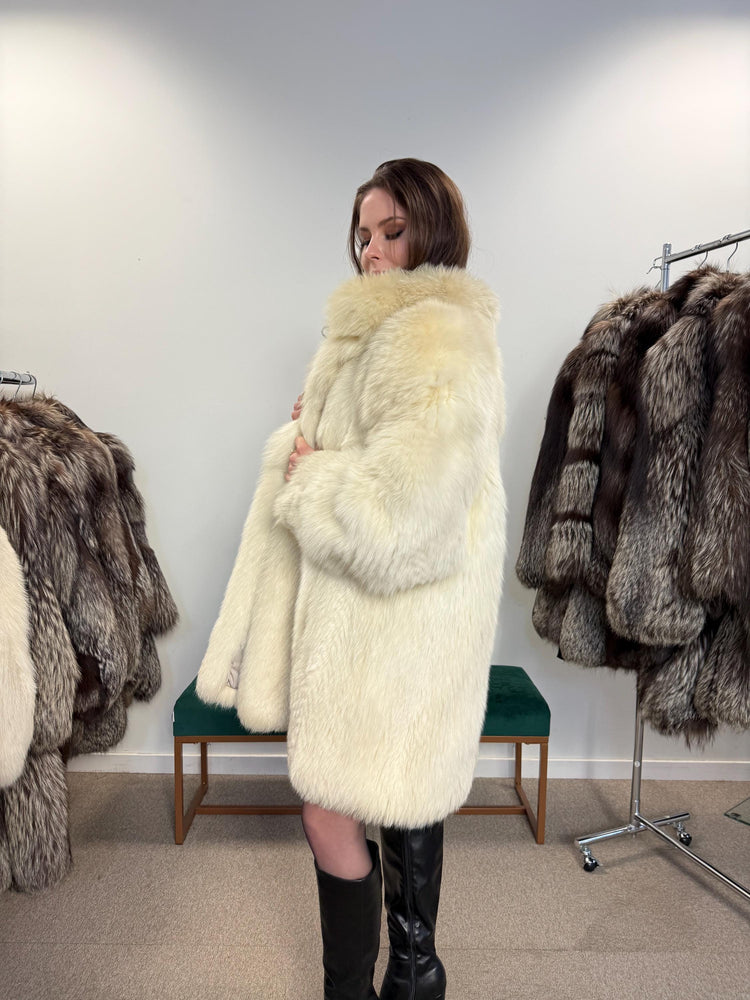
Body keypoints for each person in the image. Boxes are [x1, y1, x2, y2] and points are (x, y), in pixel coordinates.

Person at [197, 158, 506, 1000]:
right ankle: (407, 972)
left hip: (398, 625)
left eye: (391, 232)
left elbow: (408, 519)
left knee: (361, 804)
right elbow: (375, 459)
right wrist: (313, 434)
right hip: (377, 622)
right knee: (381, 803)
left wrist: (312, 475)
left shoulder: (428, 334)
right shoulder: (375, 335)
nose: (371, 250)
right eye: (363, 234)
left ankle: (399, 974)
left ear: (433, 231)